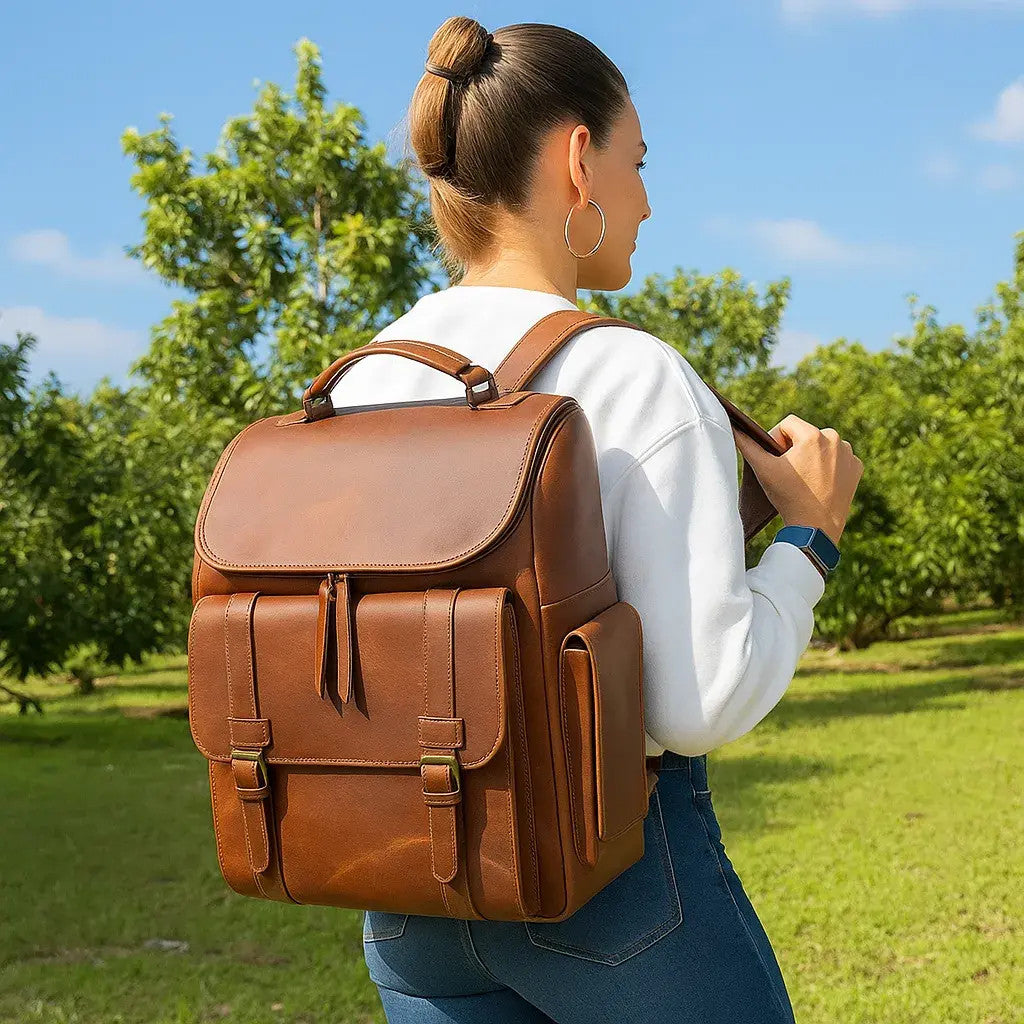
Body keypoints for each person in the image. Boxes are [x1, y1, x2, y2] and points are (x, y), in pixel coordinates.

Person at [329, 16, 864, 1024]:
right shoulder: (630, 371)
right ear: (579, 159)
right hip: (608, 892)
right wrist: (809, 536)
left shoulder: (364, 375)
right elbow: (697, 701)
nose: (647, 201)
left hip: (403, 888)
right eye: (638, 162)